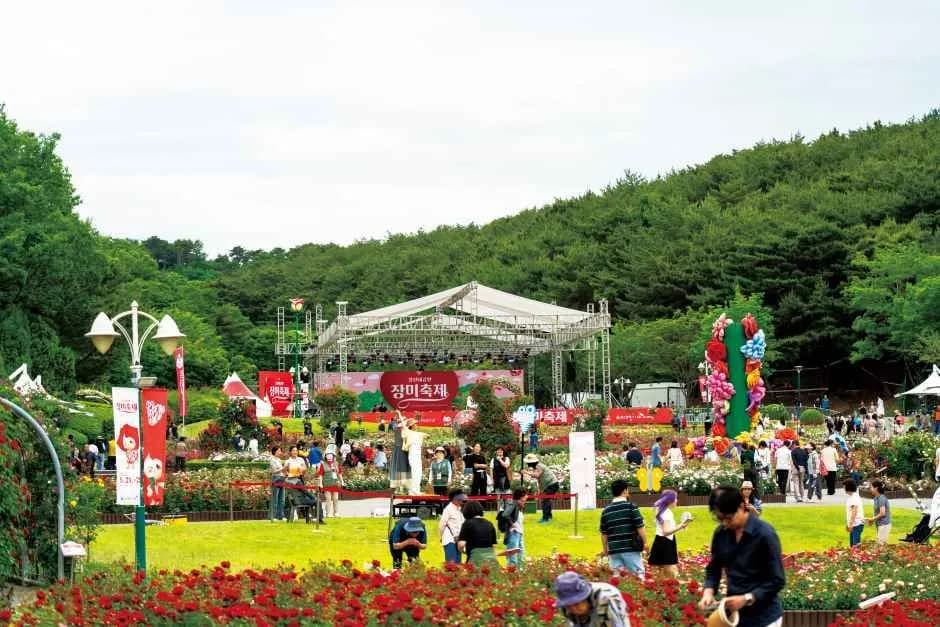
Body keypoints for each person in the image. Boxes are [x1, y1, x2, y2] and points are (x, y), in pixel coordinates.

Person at [699, 486, 785, 627]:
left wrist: (747, 598)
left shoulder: (765, 534)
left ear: (741, 506)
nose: (725, 523)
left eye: (728, 518)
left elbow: (777, 580)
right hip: (735, 617)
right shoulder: (721, 533)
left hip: (764, 617)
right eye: (720, 519)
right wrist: (708, 591)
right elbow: (714, 568)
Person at [599, 479, 646, 580]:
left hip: (614, 550)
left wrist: (605, 549)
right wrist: (645, 543)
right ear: (625, 491)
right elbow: (640, 527)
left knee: (618, 580)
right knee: (639, 577)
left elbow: (604, 533)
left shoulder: (606, 511)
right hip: (630, 548)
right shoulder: (631, 507)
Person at [554, 571, 629, 627]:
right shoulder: (567, 606)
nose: (573, 609)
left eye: (576, 603)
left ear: (585, 597)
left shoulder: (606, 600)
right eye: (568, 605)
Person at [648, 489, 691, 579]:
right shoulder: (666, 513)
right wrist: (680, 526)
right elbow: (666, 532)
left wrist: (681, 525)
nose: (677, 501)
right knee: (669, 569)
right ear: (670, 500)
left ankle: (662, 587)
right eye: (675, 498)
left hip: (661, 541)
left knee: (661, 569)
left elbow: (668, 529)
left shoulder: (662, 510)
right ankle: (674, 585)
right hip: (665, 542)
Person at [457, 500, 498, 565]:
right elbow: (494, 545)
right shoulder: (489, 524)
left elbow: (461, 544)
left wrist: (463, 551)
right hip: (491, 559)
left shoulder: (467, 524)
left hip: (475, 559)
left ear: (467, 511)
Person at [524, 453, 560, 523]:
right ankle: (548, 517)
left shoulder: (539, 466)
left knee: (545, 501)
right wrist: (540, 490)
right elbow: (540, 480)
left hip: (552, 484)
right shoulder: (536, 467)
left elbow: (537, 475)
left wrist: (526, 472)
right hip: (549, 485)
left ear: (532, 462)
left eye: (528, 463)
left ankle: (545, 518)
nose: (527, 464)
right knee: (546, 500)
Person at [399, 413, 427, 495]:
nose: (416, 425)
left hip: (417, 455)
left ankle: (416, 490)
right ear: (411, 426)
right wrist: (399, 414)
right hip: (413, 454)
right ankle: (413, 490)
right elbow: (404, 425)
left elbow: (426, 435)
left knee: (419, 473)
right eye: (415, 424)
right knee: (415, 472)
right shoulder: (408, 432)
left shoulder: (418, 434)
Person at [501, 488, 528, 566]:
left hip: (519, 534)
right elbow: (505, 514)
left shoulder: (519, 507)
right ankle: (511, 575)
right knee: (512, 558)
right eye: (524, 497)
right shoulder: (513, 504)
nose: (526, 498)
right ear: (520, 497)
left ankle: (521, 575)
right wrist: (512, 524)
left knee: (521, 557)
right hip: (513, 533)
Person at [439, 489, 467, 564]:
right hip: (449, 539)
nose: (462, 501)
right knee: (451, 563)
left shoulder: (460, 509)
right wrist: (441, 537)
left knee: (458, 562)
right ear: (454, 498)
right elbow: (442, 525)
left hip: (459, 539)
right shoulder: (448, 509)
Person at [317, 451, 343, 518]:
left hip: (335, 483)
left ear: (333, 456)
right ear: (325, 456)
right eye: (327, 455)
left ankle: (336, 512)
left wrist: (342, 481)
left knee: (336, 498)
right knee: (328, 499)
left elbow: (339, 473)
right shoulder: (323, 465)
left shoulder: (336, 464)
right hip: (327, 484)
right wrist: (320, 483)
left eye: (331, 455)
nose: (329, 457)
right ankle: (328, 513)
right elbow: (320, 475)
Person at [867, 480, 891, 545]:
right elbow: (877, 513)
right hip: (879, 524)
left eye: (871, 487)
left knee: (881, 545)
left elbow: (882, 513)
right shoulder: (876, 498)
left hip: (884, 525)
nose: (870, 489)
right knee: (881, 544)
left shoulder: (881, 498)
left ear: (876, 488)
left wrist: (872, 519)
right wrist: (872, 520)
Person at [844, 478, 865, 547]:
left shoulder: (854, 497)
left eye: (844, 486)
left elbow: (854, 512)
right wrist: (848, 524)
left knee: (855, 545)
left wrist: (850, 524)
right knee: (852, 545)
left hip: (857, 524)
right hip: (854, 524)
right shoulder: (852, 497)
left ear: (848, 487)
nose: (843, 488)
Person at [268, 446, 286, 522]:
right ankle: (273, 516)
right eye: (279, 451)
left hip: (281, 478)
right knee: (274, 498)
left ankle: (280, 515)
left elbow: (281, 471)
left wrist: (285, 472)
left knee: (281, 499)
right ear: (274, 451)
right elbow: (274, 471)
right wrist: (283, 469)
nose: (280, 452)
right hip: (275, 478)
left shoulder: (279, 459)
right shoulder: (271, 459)